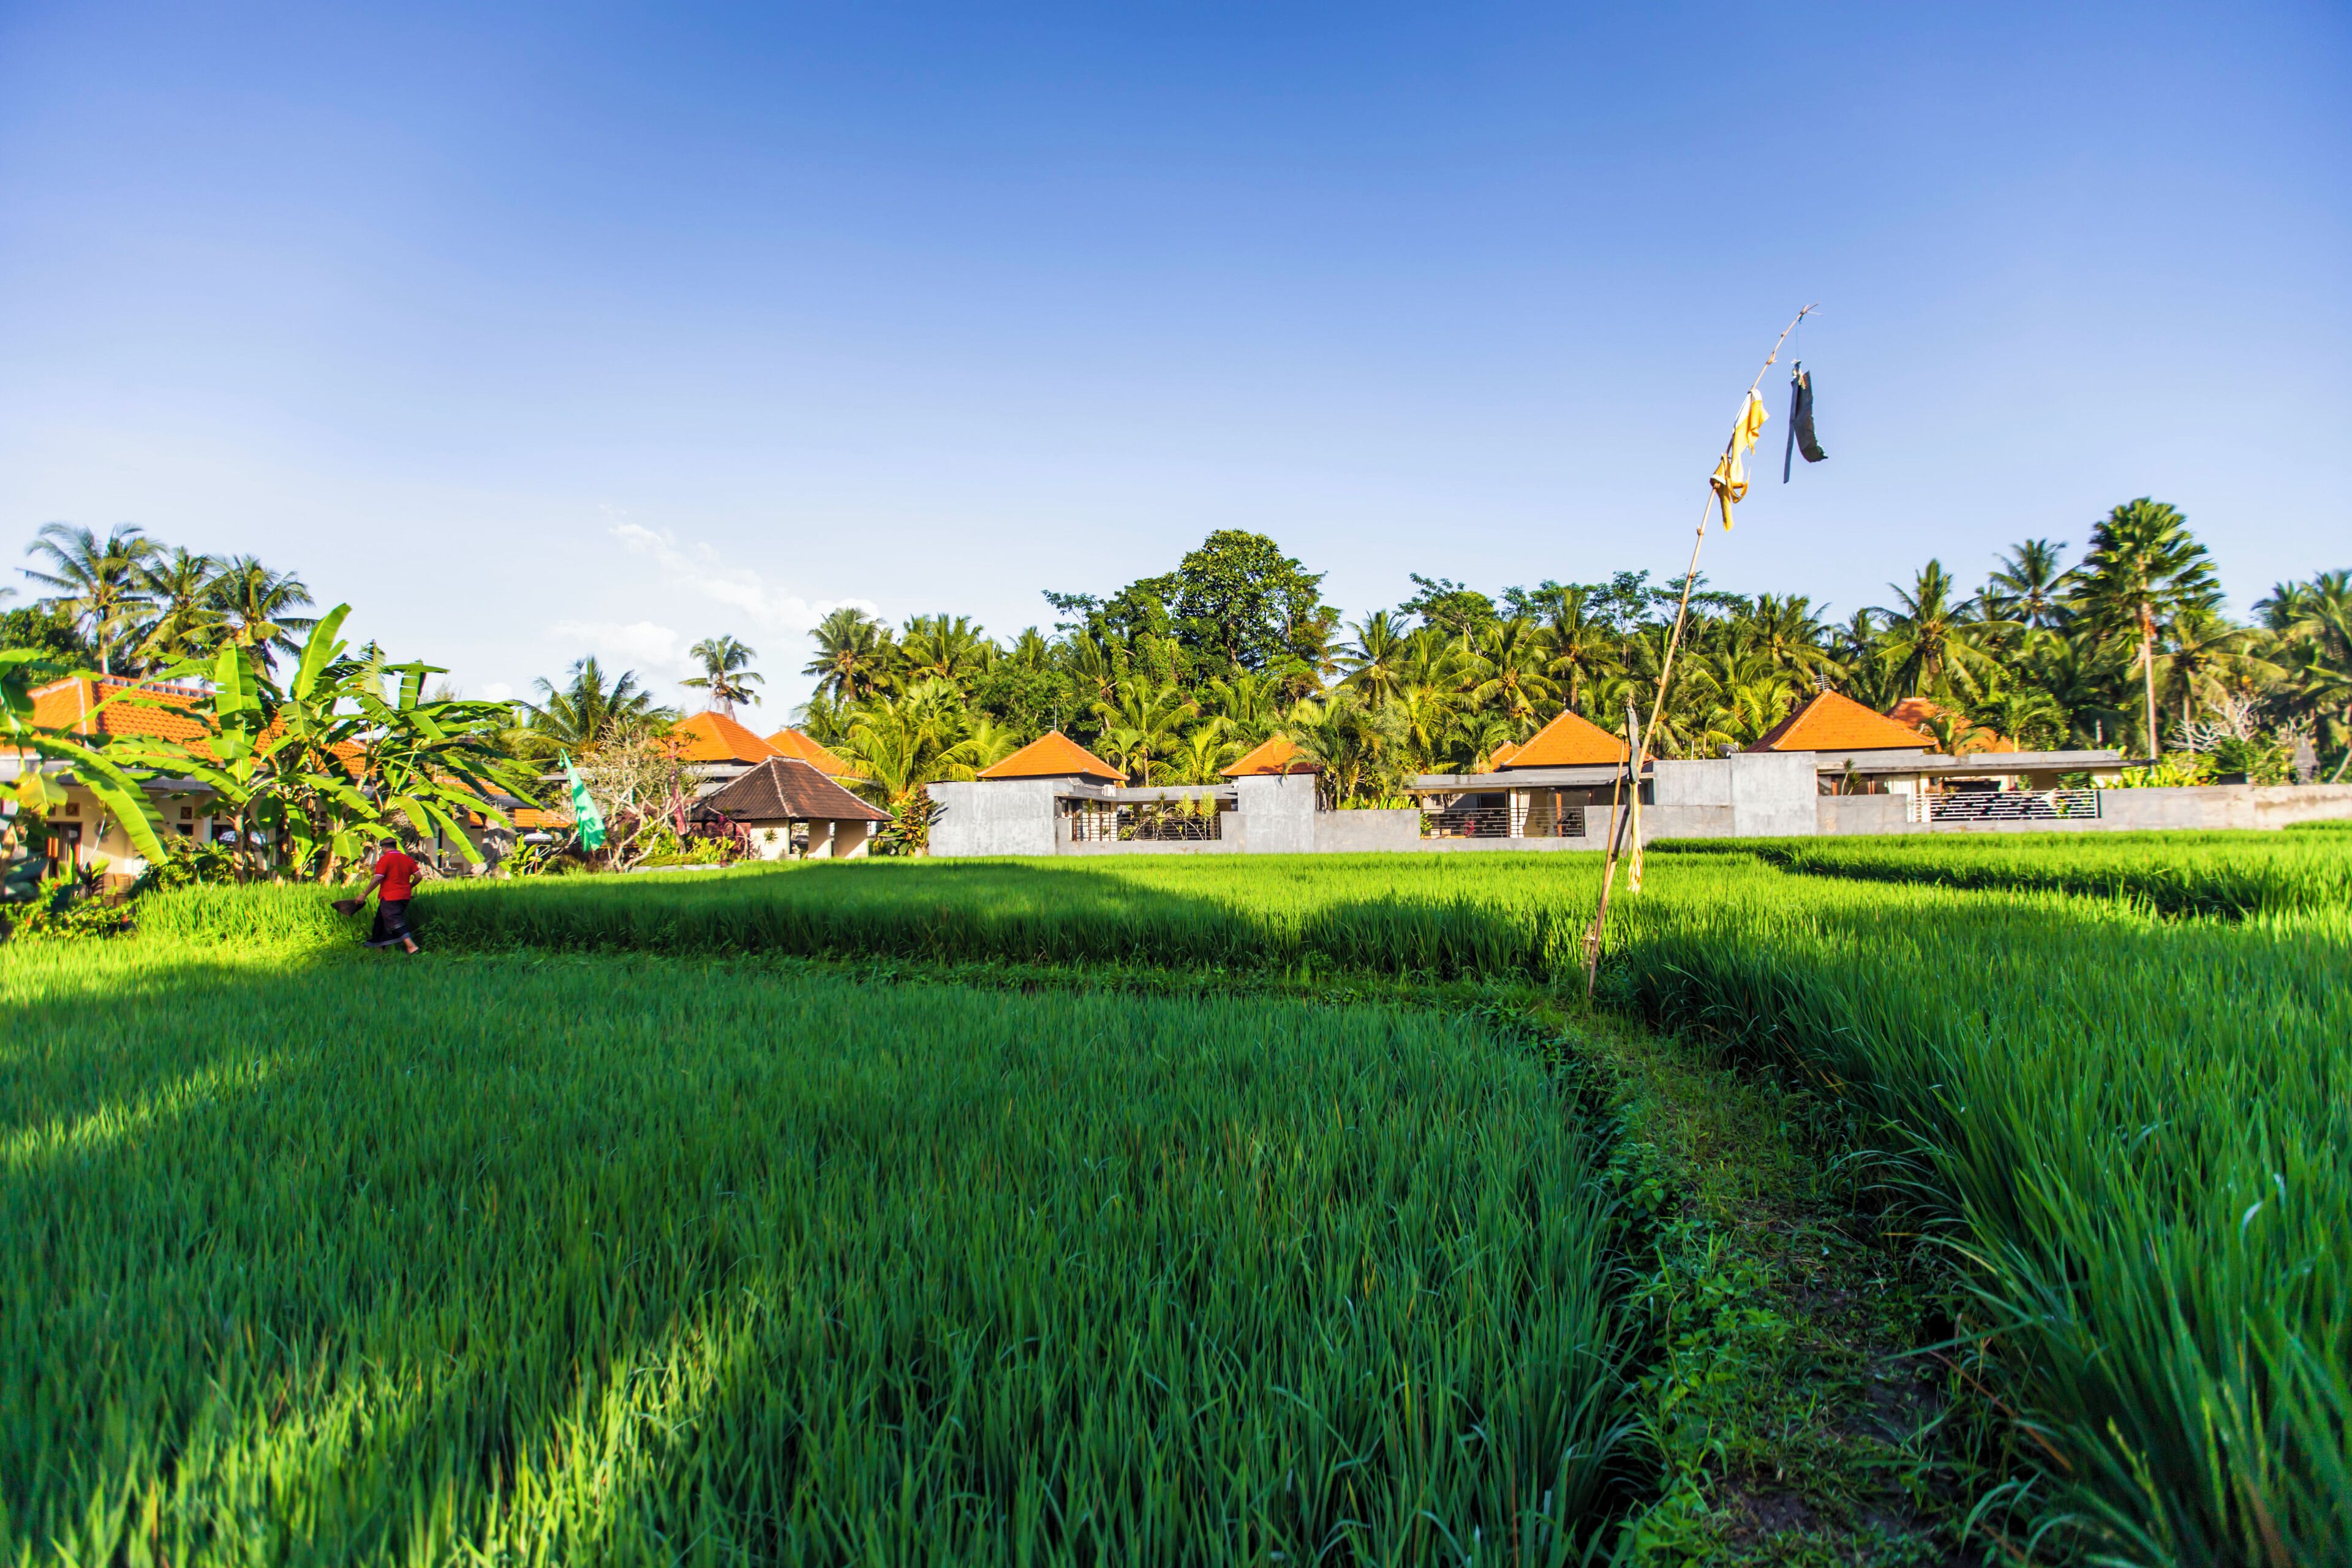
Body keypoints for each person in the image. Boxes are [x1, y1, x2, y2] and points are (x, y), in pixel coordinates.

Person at [358, 845, 423, 954]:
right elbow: (419, 877)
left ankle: (411, 946)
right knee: (381, 921)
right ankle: (380, 950)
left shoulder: (385, 859)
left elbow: (378, 878)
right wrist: (409, 886)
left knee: (394, 920)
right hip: (404, 896)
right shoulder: (408, 859)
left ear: (384, 848)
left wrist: (364, 894)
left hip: (390, 896)